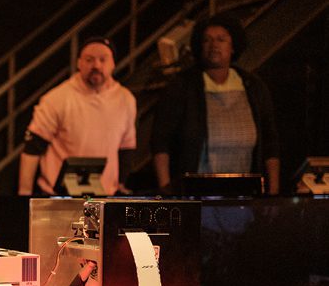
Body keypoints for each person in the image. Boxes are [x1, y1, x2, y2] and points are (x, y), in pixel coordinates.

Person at [151, 13, 281, 195]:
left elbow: (270, 142)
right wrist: (166, 190)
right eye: (207, 40)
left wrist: (273, 192)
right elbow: (161, 140)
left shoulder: (253, 86)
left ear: (233, 46)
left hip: (244, 194)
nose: (214, 45)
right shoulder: (183, 86)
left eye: (221, 39)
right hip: (195, 194)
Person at [18, 37, 137, 196]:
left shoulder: (126, 100)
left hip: (104, 196)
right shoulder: (57, 98)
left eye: (103, 59)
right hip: (59, 197)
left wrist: (121, 182)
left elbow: (126, 146)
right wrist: (24, 194)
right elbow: (33, 147)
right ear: (79, 63)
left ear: (113, 63)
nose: (96, 65)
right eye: (89, 60)